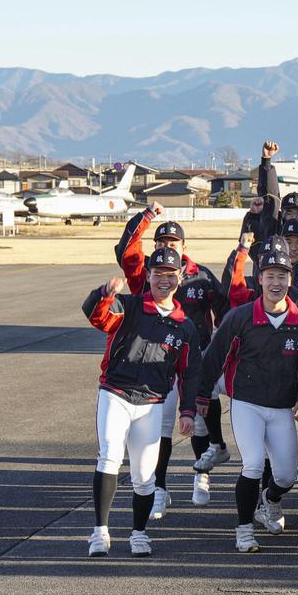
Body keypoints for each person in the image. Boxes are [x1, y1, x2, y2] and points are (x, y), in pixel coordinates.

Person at [82, 247, 202, 557]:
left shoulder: (184, 326)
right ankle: (100, 532)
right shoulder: (130, 306)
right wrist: (104, 294)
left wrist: (187, 410)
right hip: (115, 393)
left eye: (170, 275)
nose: (164, 280)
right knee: (109, 456)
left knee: (145, 475)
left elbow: (189, 373)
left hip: (152, 403)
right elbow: (97, 316)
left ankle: (138, 533)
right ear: (147, 275)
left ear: (181, 277)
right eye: (158, 274)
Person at [197, 246, 298, 552]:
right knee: (252, 464)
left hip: (281, 408)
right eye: (270, 275)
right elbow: (213, 358)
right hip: (247, 403)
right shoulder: (241, 317)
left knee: (287, 475)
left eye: (282, 276)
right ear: (260, 279)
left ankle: (271, 500)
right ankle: (245, 529)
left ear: (291, 280)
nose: (276, 282)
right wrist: (199, 395)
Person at [115, 202, 227, 514]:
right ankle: (160, 488)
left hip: (196, 359)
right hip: (158, 363)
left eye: (172, 242)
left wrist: (219, 345)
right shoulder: (146, 274)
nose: (167, 246)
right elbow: (126, 250)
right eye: (161, 242)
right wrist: (146, 216)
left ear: (184, 246)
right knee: (162, 428)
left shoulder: (200, 275)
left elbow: (225, 311)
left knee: (199, 422)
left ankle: (201, 474)